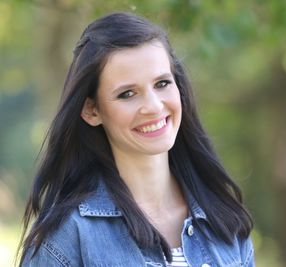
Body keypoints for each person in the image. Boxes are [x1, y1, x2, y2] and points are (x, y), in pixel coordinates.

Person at [19, 12, 254, 267]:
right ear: (91, 110)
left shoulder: (222, 221)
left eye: (162, 83)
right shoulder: (66, 237)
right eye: (127, 93)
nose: (153, 106)